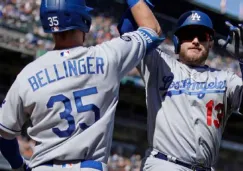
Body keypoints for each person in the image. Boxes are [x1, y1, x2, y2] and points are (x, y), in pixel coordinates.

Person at [0, 0, 163, 170]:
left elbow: (5, 135)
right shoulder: (108, 57)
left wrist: (18, 166)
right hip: (89, 166)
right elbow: (153, 29)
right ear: (84, 20)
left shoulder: (28, 75)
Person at [118, 8, 243, 171]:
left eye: (202, 36)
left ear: (210, 42)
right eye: (188, 35)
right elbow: (127, 30)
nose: (196, 41)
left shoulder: (226, 79)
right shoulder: (159, 65)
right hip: (165, 164)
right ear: (177, 41)